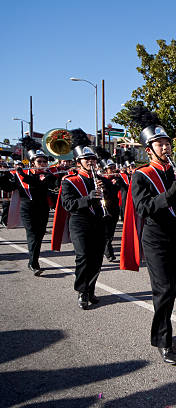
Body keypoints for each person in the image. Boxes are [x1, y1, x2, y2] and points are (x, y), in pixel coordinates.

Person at [120, 106, 176, 365]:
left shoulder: (173, 172)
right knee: (163, 290)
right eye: (160, 144)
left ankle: (158, 332)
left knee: (171, 290)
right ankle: (164, 340)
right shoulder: (141, 175)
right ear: (149, 149)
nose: (166, 148)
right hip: (156, 239)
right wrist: (171, 193)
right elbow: (143, 208)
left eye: (167, 143)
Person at [56, 129, 109, 309]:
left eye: (93, 159)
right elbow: (68, 204)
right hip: (80, 222)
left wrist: (107, 189)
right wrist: (89, 198)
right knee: (83, 257)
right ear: (79, 162)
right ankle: (82, 290)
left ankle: (91, 289)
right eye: (87, 160)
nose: (91, 162)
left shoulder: (100, 179)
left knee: (96, 259)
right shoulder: (69, 181)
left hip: (98, 222)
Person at [4, 137, 58, 274]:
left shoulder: (48, 175)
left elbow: (40, 184)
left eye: (44, 161)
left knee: (39, 235)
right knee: (33, 234)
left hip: (43, 208)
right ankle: (34, 263)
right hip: (27, 209)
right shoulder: (20, 175)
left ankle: (33, 260)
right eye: (39, 161)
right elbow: (9, 187)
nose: (42, 163)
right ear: (32, 162)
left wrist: (21, 173)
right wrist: (4, 175)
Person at [96, 149, 122, 263]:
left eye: (113, 167)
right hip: (104, 209)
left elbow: (125, 188)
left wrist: (118, 182)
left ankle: (105, 250)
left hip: (114, 209)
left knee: (110, 233)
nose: (113, 170)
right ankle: (109, 253)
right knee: (106, 233)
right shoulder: (100, 180)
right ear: (105, 170)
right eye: (110, 168)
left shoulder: (116, 179)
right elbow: (106, 192)